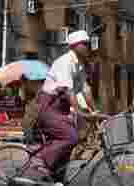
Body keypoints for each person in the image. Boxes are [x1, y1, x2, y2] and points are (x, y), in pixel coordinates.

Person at [23, 30, 94, 184]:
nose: (89, 47)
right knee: (71, 136)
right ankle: (39, 159)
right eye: (86, 44)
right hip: (47, 107)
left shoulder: (79, 65)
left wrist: (94, 111)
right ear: (75, 46)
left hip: (60, 110)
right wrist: (81, 113)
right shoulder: (65, 62)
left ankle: (55, 179)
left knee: (70, 146)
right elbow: (68, 91)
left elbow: (85, 89)